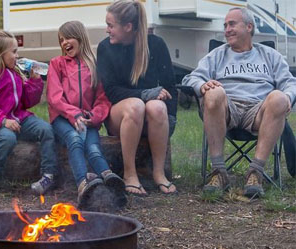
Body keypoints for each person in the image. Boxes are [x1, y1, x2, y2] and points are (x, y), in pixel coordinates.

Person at [182, 7, 296, 197]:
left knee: (278, 97)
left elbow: (290, 83)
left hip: (259, 111)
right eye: (225, 25)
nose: (227, 29)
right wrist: (202, 86)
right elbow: (190, 78)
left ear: (249, 26)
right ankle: (219, 172)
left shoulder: (269, 55)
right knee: (214, 92)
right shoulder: (217, 55)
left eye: (232, 24)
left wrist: (288, 98)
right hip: (227, 109)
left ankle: (256, 172)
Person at [97, 0, 178, 196]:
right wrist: (146, 94)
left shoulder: (156, 45)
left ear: (128, 27)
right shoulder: (105, 48)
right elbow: (112, 92)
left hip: (153, 120)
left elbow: (170, 87)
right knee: (136, 106)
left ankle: (158, 173)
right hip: (121, 117)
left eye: (111, 25)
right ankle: (130, 174)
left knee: (157, 107)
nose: (107, 30)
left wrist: (170, 116)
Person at [47, 21, 125, 207]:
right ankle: (83, 185)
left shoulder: (93, 66)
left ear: (80, 38)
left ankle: (109, 180)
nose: (65, 42)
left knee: (93, 148)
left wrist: (93, 117)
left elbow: (103, 99)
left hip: (87, 119)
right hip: (62, 118)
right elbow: (54, 98)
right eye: (61, 40)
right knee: (74, 139)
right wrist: (74, 115)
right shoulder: (56, 64)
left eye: (68, 37)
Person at [0, 30, 59, 195]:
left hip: (20, 118)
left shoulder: (15, 73)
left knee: (46, 129)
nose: (17, 56)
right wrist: (3, 121)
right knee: (8, 138)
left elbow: (27, 101)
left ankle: (49, 174)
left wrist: (34, 81)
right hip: (0, 123)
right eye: (13, 52)